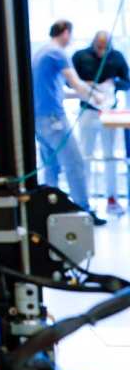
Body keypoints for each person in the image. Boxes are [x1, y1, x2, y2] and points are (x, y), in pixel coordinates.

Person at [31, 19, 104, 225]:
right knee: (75, 163)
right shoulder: (57, 53)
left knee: (51, 166)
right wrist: (96, 97)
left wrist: (83, 94)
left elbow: (58, 90)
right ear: (65, 32)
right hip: (53, 119)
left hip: (40, 119)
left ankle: (47, 212)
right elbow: (76, 83)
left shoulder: (42, 52)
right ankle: (84, 210)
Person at [72, 30, 130, 216]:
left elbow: (127, 81)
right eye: (99, 47)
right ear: (94, 43)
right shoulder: (80, 57)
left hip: (110, 112)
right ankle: (84, 199)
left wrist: (113, 83)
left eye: (105, 47)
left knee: (110, 155)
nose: (102, 51)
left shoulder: (117, 57)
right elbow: (70, 82)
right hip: (88, 111)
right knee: (86, 155)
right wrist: (87, 84)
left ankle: (112, 198)